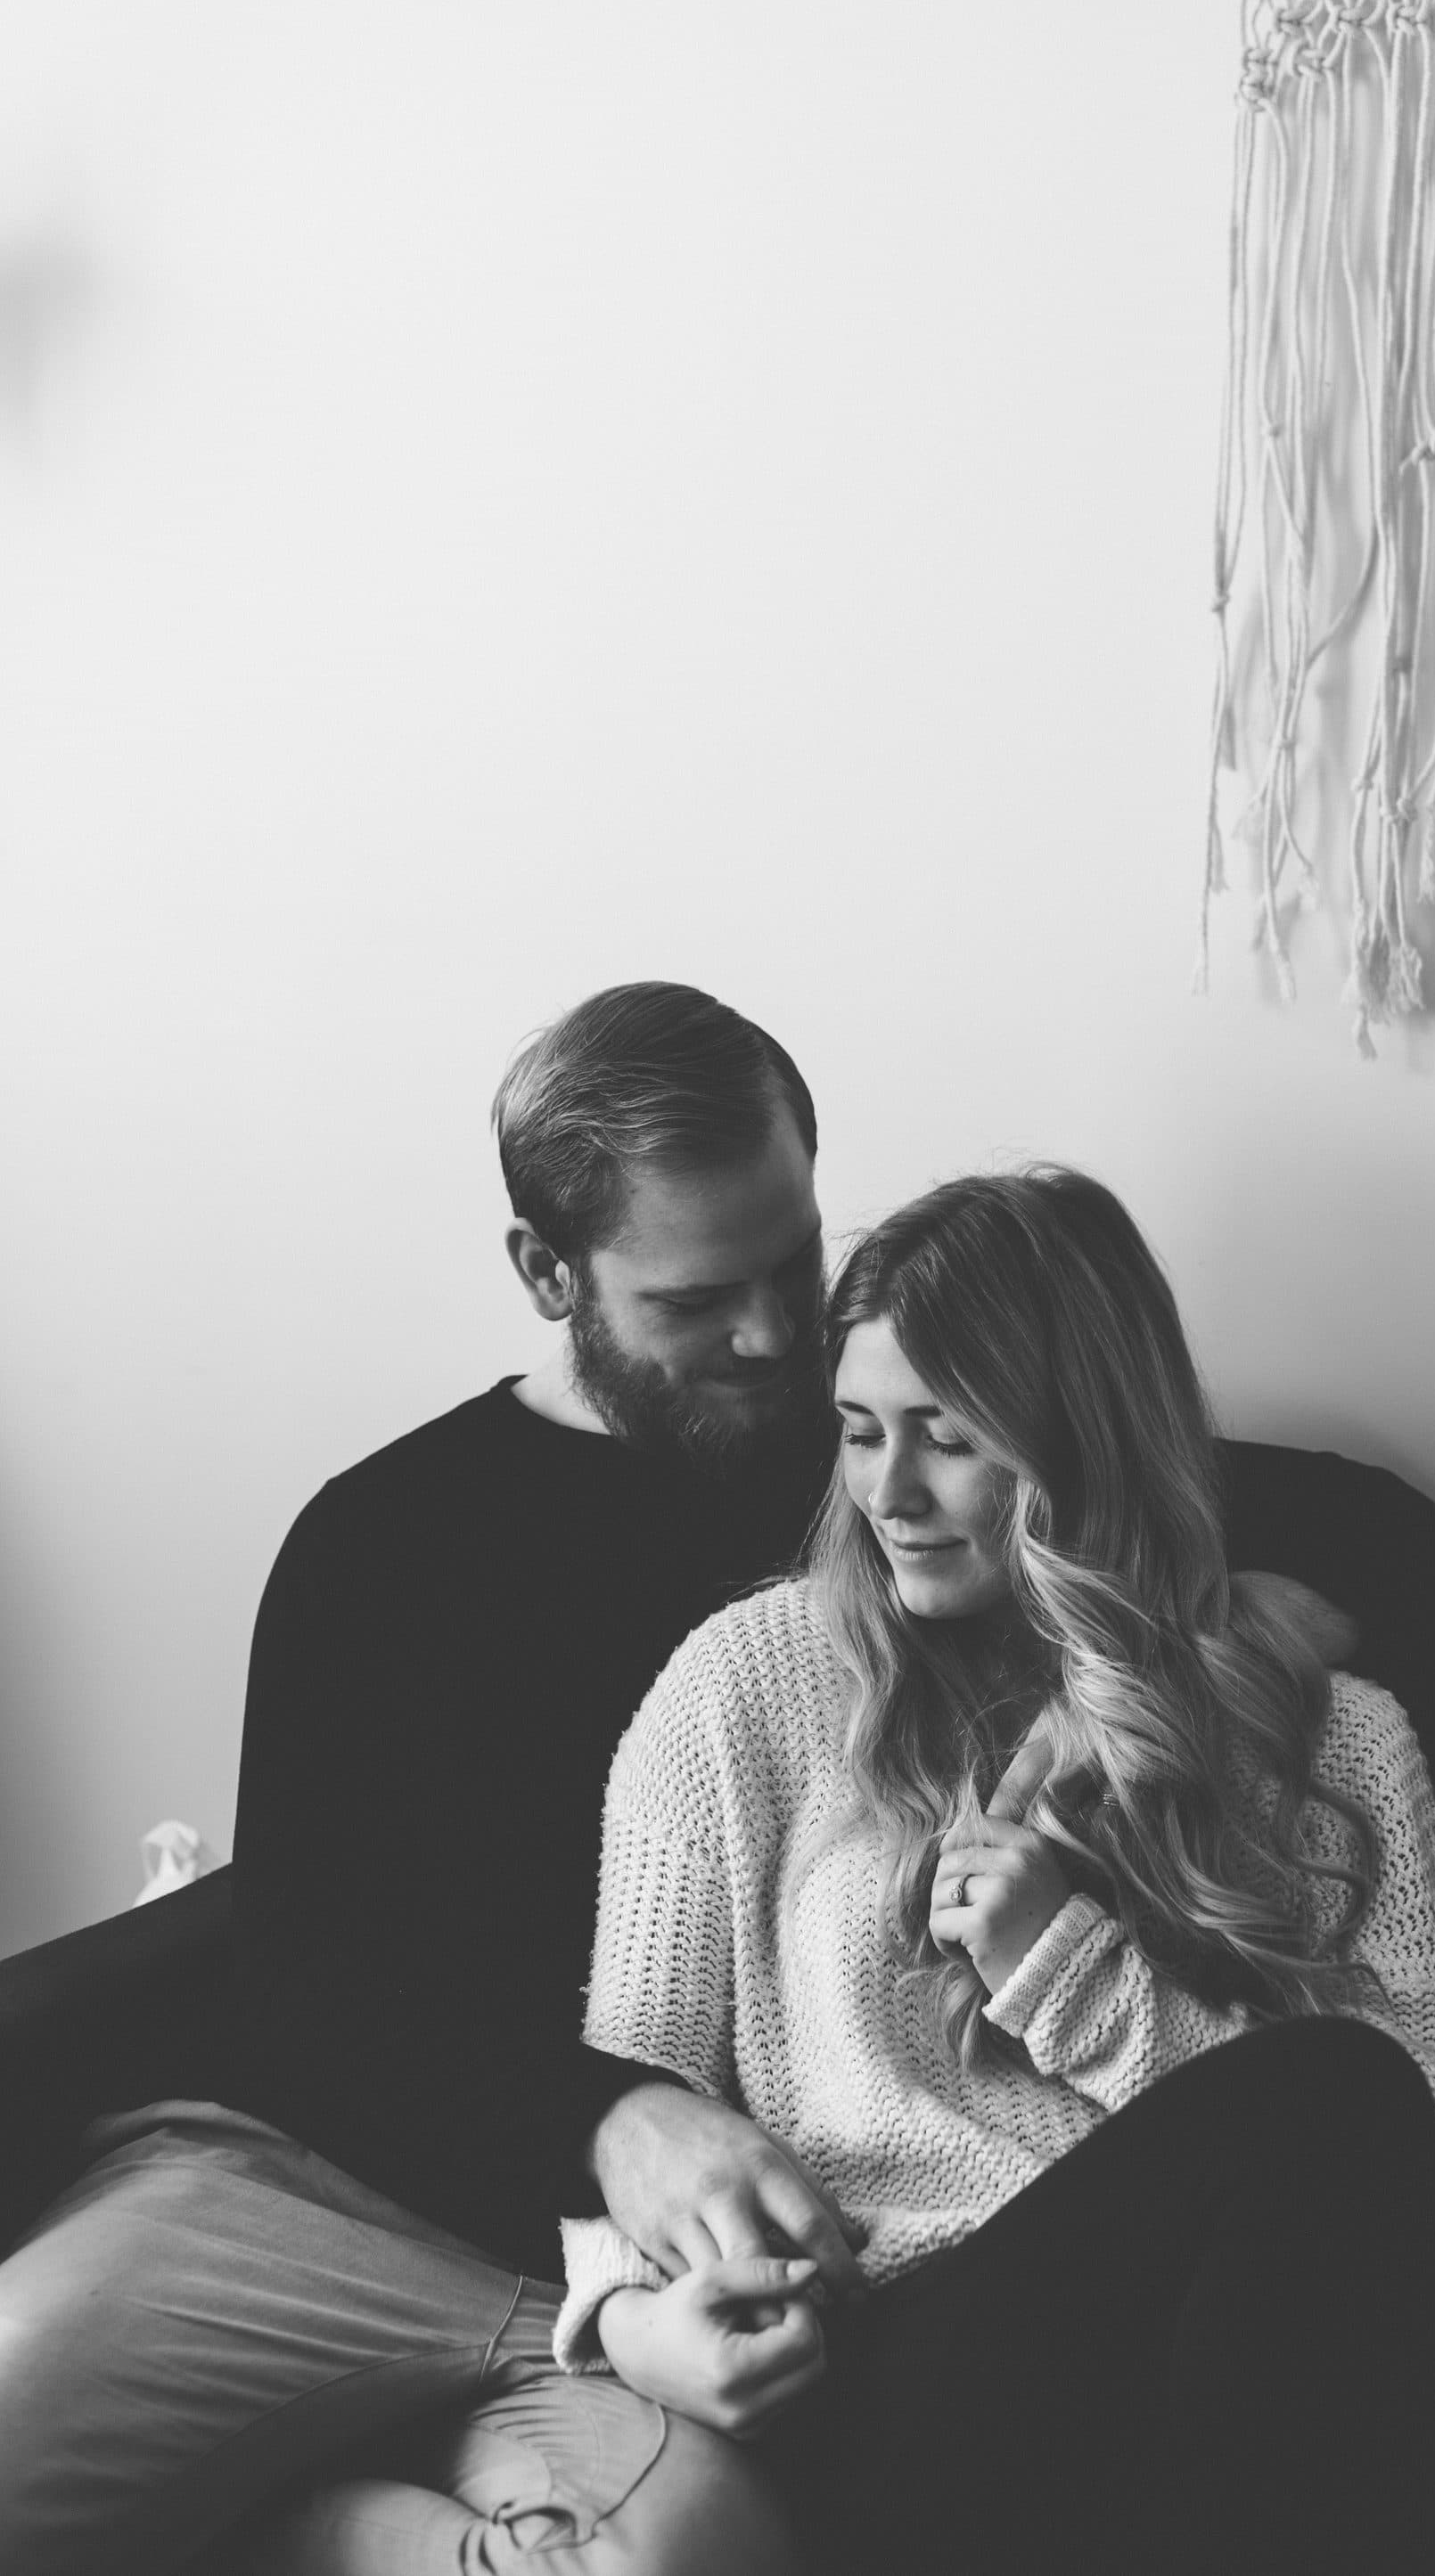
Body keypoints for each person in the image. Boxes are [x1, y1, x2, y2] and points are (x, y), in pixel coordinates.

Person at [312, 1167, 1435, 2575]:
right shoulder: (742, 1689)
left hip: (1194, 2362)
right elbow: (634, 2082)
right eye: (860, 1433)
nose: (890, 1492)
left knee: (1336, 2107)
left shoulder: (1337, 1739)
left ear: (1083, 1443)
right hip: (876, 2359)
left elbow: (1427, 2124)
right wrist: (627, 2320)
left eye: (950, 1441)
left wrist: (1069, 1971)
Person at [0, 981, 866, 2575]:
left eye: (794, 1266)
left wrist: (1262, 1616)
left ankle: (285, 2531)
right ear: (549, 1271)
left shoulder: (874, 1464)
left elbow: (1316, 1514)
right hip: (305, 2196)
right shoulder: (384, 1544)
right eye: (695, 1301)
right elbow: (311, 1986)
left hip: (614, 2289)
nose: (770, 1339)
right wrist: (613, 2118)